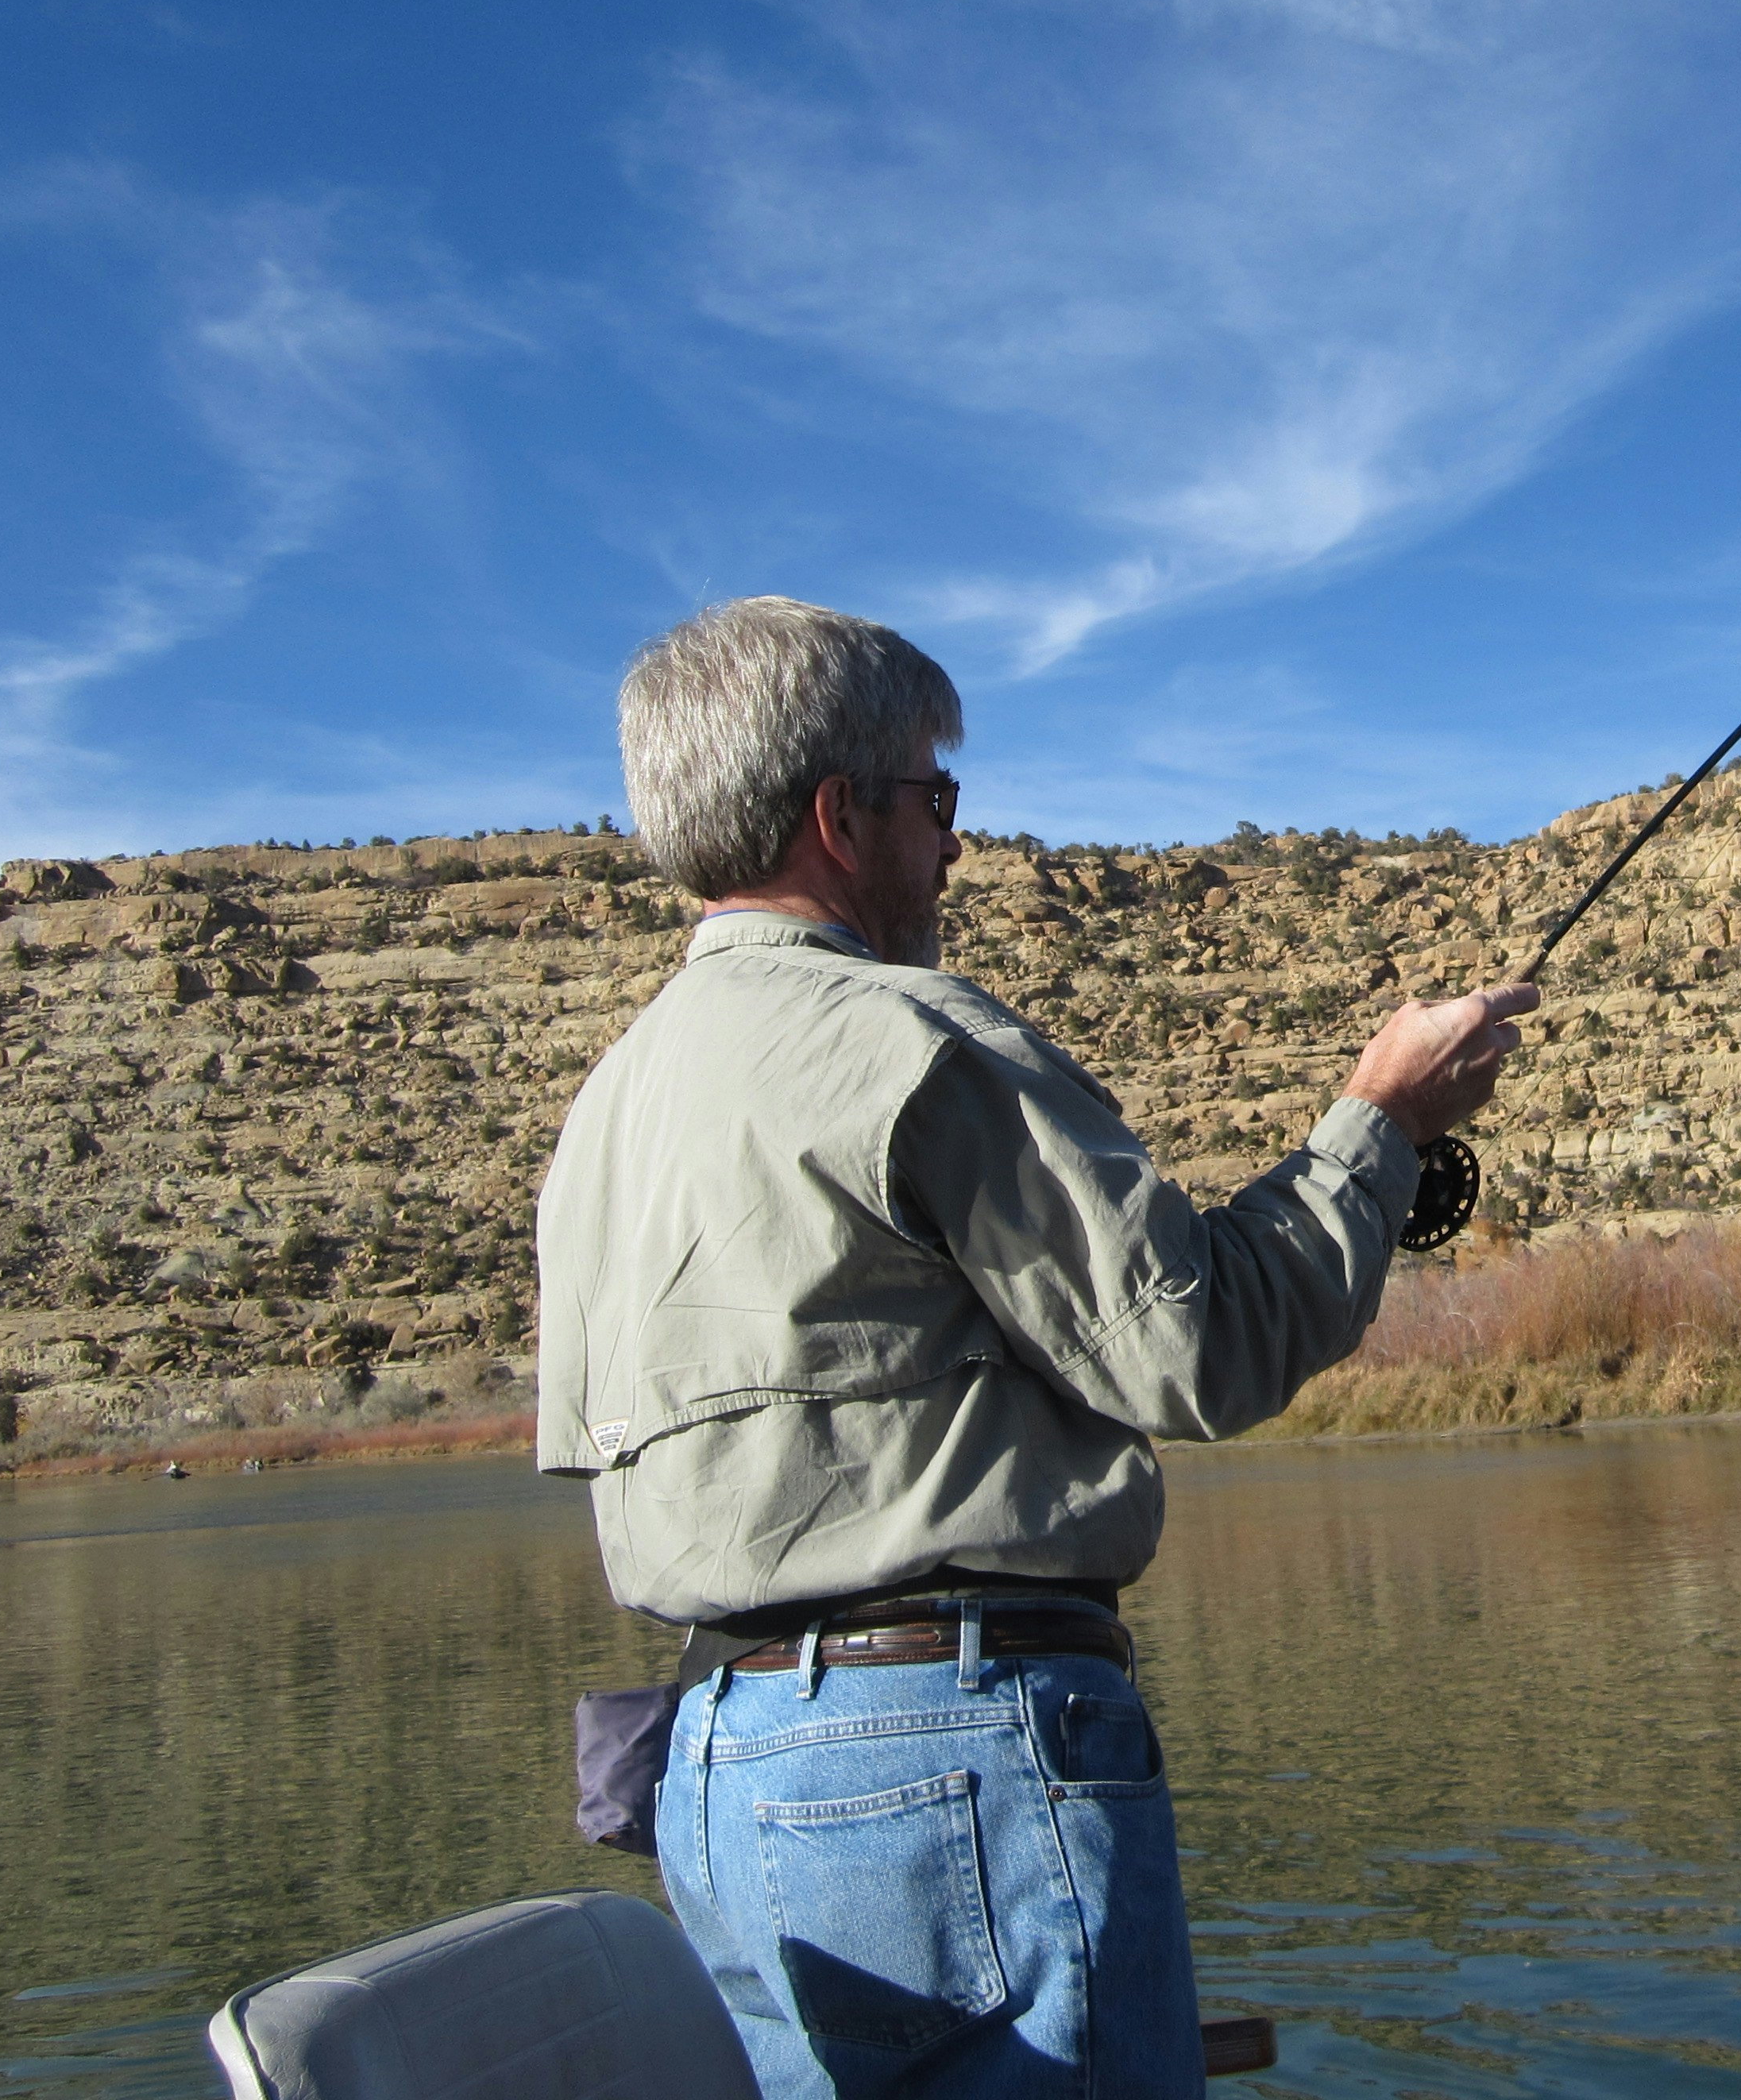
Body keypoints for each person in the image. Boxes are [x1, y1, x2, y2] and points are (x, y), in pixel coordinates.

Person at [537, 595, 1534, 2099]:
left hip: (714, 1781)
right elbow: (1198, 1348)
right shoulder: (908, 1039)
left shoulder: (601, 1117)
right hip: (946, 1757)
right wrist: (1380, 1130)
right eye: (936, 803)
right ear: (839, 816)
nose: (953, 846)